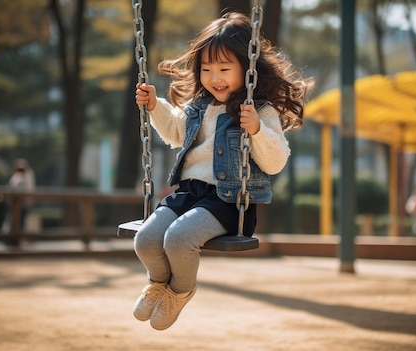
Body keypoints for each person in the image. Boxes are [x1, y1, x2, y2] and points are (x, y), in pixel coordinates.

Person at [132, 12, 313, 330]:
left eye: (224, 69)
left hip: (228, 201)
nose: (214, 77)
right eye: (206, 69)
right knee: (146, 239)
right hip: (189, 193)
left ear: (247, 68)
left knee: (178, 239)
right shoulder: (199, 108)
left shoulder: (259, 111)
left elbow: (275, 161)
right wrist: (155, 107)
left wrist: (257, 130)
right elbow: (176, 132)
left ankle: (179, 290)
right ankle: (158, 283)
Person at [2, 158, 36, 235]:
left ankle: (15, 237)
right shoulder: (17, 178)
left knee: (18, 222)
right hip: (17, 204)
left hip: (21, 204)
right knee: (15, 222)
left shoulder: (20, 177)